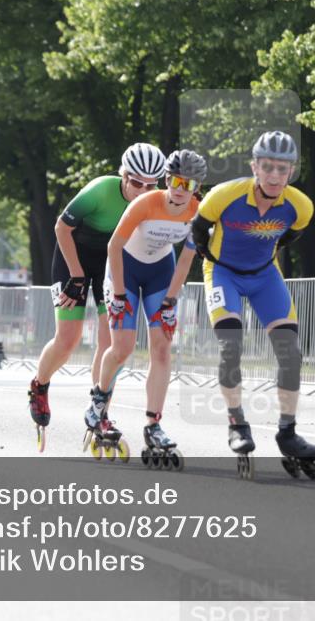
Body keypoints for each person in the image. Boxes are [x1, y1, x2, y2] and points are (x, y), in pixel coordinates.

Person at [188, 131, 315, 462]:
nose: (275, 175)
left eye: (283, 169)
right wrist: (214, 260)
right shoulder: (224, 195)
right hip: (223, 273)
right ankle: (237, 424)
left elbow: (290, 236)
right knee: (231, 346)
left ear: (292, 171)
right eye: (268, 167)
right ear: (254, 167)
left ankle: (287, 433)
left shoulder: (300, 206)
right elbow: (198, 231)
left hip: (264, 275)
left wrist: (262, 256)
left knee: (291, 352)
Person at [27, 143, 166, 449]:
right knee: (68, 340)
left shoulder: (156, 202)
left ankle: (99, 411)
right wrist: (76, 276)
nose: (143, 190)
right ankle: (39, 385)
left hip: (109, 264)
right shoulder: (100, 190)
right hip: (72, 257)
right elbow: (61, 228)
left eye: (151, 185)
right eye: (137, 183)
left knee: (111, 343)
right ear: (124, 176)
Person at [86, 150, 206, 462]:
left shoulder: (197, 212)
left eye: (188, 183)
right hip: (124, 268)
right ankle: (99, 399)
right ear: (167, 180)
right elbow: (114, 246)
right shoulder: (146, 202)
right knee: (122, 348)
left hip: (160, 272)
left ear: (196, 187)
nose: (180, 188)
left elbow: (185, 261)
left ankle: (153, 424)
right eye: (176, 180)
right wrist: (120, 295)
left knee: (162, 347)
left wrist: (170, 300)